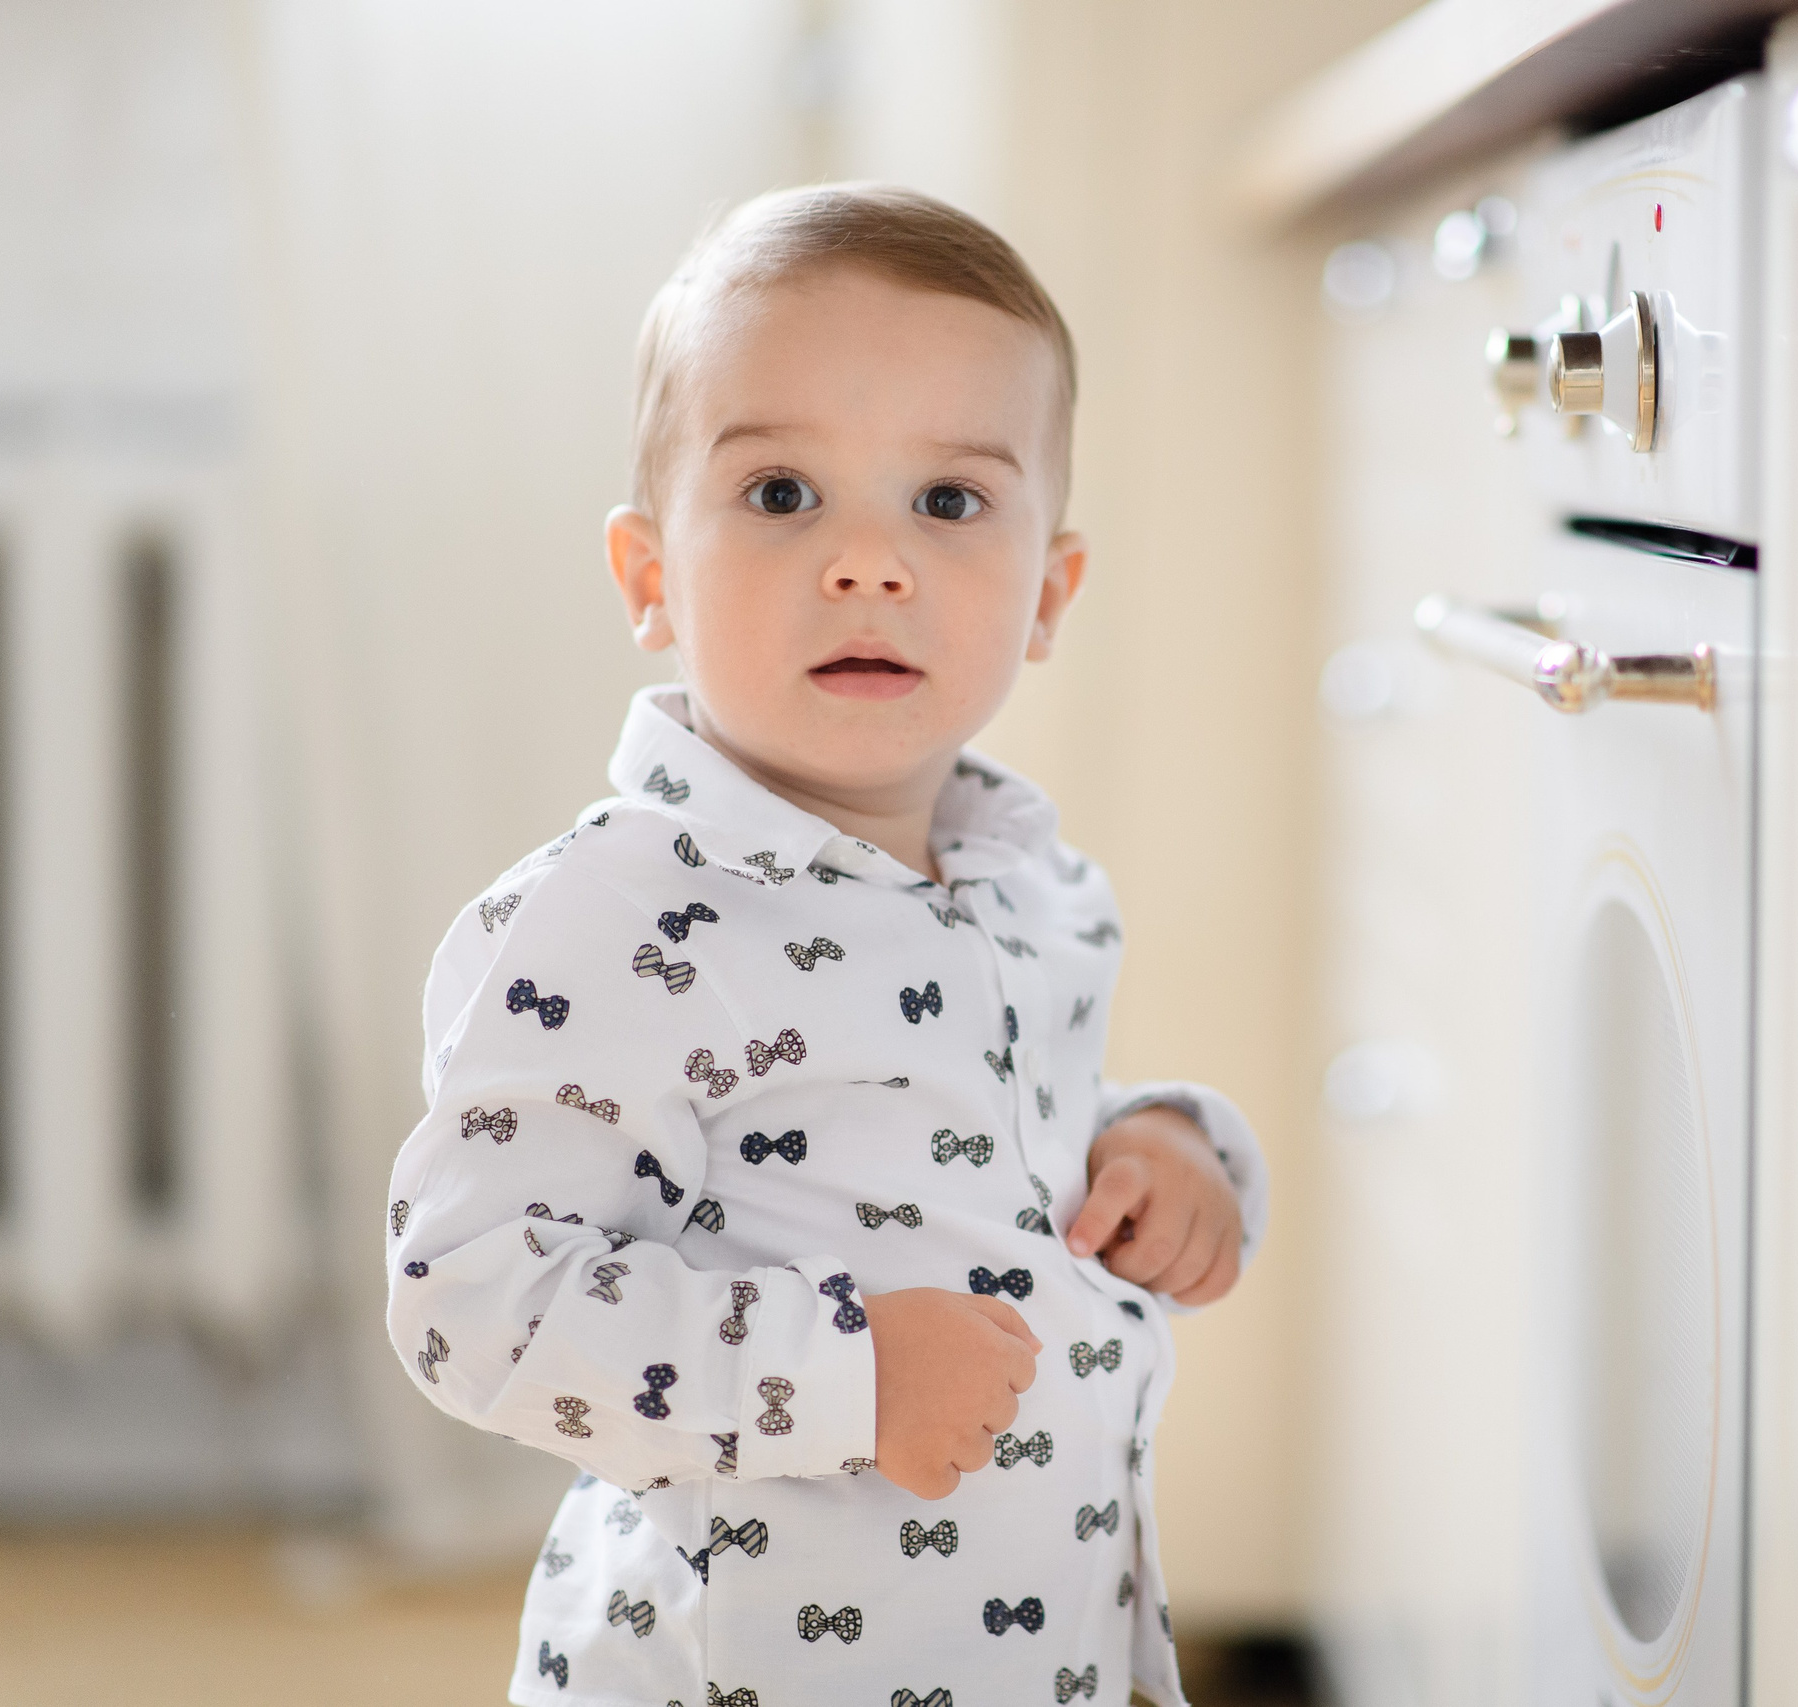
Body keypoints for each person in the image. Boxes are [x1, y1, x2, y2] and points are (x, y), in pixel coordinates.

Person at [382, 183, 1264, 1707]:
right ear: (651, 574)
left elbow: (978, 1161)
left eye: (949, 501)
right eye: (783, 494)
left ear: (1048, 593)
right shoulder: (615, 922)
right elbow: (473, 1300)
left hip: (1030, 1642)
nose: (869, 561)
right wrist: (837, 1375)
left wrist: (1174, 1149)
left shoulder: (1031, 889)